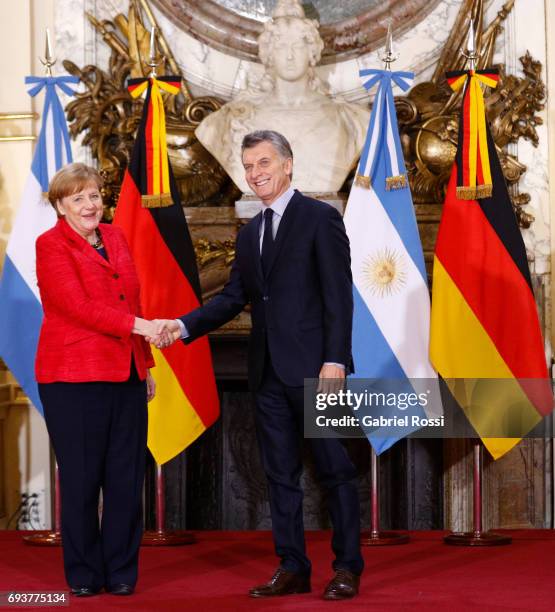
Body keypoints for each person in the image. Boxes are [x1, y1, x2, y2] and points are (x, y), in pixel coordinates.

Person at [155, 131, 363, 600]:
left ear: (288, 165)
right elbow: (233, 299)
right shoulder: (250, 233)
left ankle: (348, 567)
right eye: (249, 166)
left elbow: (339, 297)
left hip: (316, 371)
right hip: (267, 373)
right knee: (279, 474)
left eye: (264, 163)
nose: (255, 173)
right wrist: (182, 325)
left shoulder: (320, 219)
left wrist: (336, 361)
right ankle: (293, 566)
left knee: (335, 469)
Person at [35, 163, 167, 597]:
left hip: (126, 371)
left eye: (94, 195)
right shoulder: (50, 245)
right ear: (60, 205)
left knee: (126, 479)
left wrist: (144, 364)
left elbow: (132, 296)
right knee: (82, 479)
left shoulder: (115, 236)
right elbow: (77, 306)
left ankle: (122, 571)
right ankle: (84, 574)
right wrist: (144, 327)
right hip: (73, 378)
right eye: (78, 198)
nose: (90, 205)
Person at [195, 0, 369, 195]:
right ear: (268, 53)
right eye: (281, 46)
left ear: (312, 52)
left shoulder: (352, 120)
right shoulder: (230, 121)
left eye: (298, 46)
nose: (289, 56)